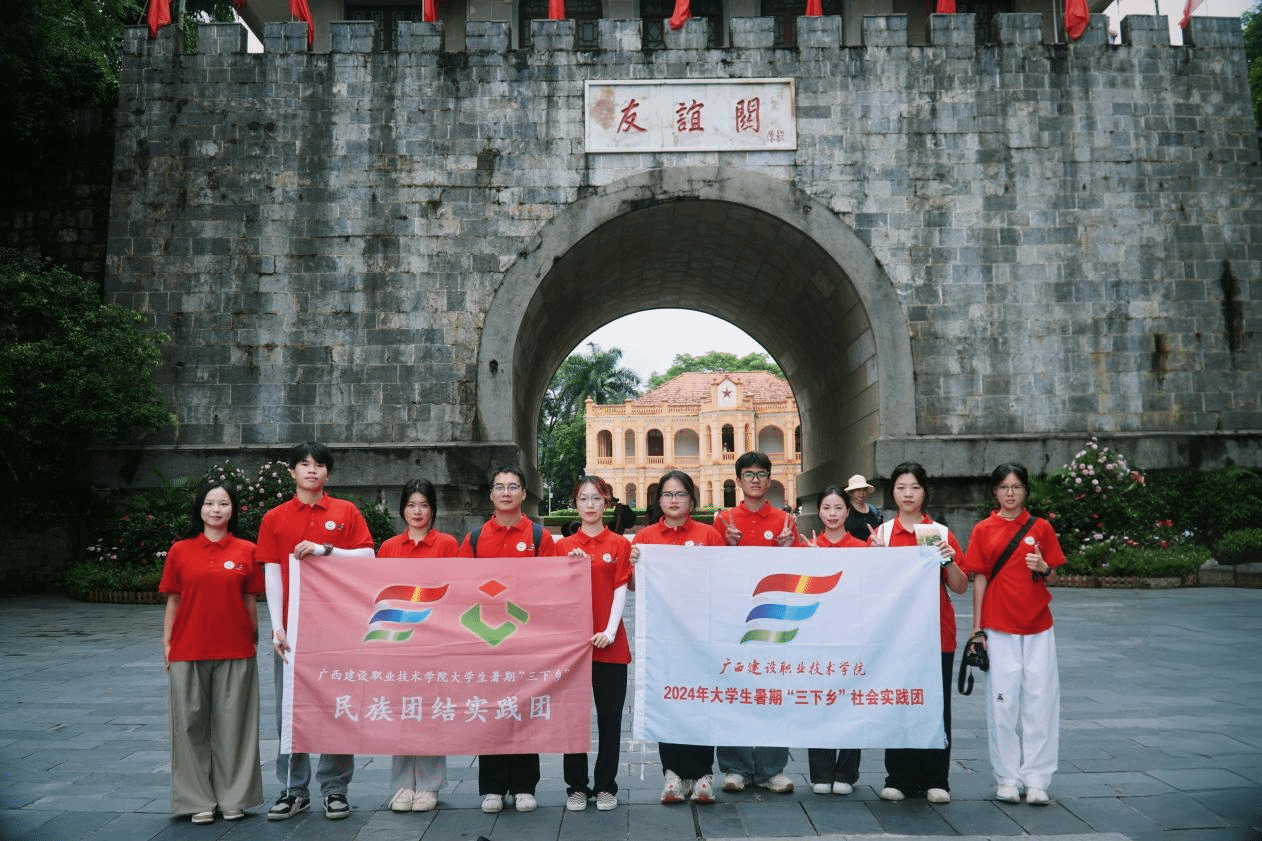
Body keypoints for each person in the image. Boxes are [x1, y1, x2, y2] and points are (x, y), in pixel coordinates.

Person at [259, 442, 375, 821]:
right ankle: (293, 789)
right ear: (292, 471)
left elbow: (367, 556)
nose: (312, 470)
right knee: (290, 710)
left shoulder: (345, 512)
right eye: (304, 464)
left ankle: (335, 788)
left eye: (319, 465)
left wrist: (327, 550)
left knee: (337, 705)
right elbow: (272, 572)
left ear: (328, 473)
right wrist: (277, 626)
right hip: (293, 630)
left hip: (337, 627)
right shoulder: (275, 518)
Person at [960, 463, 1066, 806]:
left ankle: (1037, 779)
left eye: (1016, 487)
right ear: (995, 492)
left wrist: (1044, 568)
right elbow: (979, 578)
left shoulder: (1041, 528)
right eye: (1004, 487)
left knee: (1040, 701)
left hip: (1038, 627)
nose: (1010, 493)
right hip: (998, 626)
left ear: (1025, 492)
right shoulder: (983, 529)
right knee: (1002, 703)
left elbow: (1055, 574)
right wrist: (977, 628)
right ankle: (1007, 777)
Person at [160, 480, 264, 825]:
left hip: (236, 650)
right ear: (199, 509)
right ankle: (196, 800)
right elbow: (173, 600)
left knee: (235, 728)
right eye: (209, 503)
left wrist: (254, 639)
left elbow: (250, 599)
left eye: (223, 503)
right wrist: (167, 645)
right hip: (188, 649)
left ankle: (235, 798)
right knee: (189, 727)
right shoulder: (180, 550)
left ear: (233, 510)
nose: (216, 510)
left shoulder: (247, 550)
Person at [459, 465, 559, 815]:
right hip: (486, 639)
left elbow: (552, 584)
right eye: (499, 487)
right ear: (491, 494)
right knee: (490, 712)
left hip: (526, 638)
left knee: (524, 709)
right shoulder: (475, 539)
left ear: (523, 493)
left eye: (513, 487)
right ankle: (492, 787)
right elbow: (462, 586)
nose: (506, 493)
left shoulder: (538, 536)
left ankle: (524, 786)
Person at [869, 461, 968, 805]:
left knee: (937, 706)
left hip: (936, 634)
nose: (907, 494)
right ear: (892, 492)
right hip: (896, 636)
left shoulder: (939, 533)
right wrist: (874, 560)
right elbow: (869, 589)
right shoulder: (882, 535)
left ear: (925, 492)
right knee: (899, 703)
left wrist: (949, 560)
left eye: (914, 487)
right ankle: (899, 777)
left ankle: (936, 779)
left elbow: (960, 586)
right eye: (901, 487)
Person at [630, 469, 725, 805]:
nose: (674, 500)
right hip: (663, 636)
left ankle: (702, 774)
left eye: (680, 494)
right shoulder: (645, 537)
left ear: (691, 499)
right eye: (667, 495)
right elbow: (632, 586)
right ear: (658, 500)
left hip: (701, 635)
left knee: (701, 699)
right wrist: (635, 564)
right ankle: (672, 773)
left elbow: (724, 579)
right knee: (667, 700)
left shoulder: (708, 535)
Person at [711, 451, 802, 795]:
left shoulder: (784, 520)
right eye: (748, 474)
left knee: (772, 690)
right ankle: (735, 767)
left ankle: (771, 768)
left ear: (769, 479)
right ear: (738, 480)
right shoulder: (723, 521)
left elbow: (798, 573)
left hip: (773, 618)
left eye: (761, 474)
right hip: (732, 618)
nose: (755, 480)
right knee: (731, 689)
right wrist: (726, 546)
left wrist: (789, 549)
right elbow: (710, 569)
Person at [378, 479, 460, 814]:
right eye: (411, 505)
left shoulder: (447, 544)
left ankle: (428, 785)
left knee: (430, 712)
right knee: (402, 711)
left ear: (433, 509)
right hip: (398, 640)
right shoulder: (389, 548)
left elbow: (455, 591)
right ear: (402, 509)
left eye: (424, 505)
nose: (417, 512)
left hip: (434, 642)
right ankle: (402, 784)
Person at [555, 475, 633, 812]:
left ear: (607, 503)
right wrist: (568, 568)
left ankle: (605, 786)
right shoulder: (562, 548)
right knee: (572, 718)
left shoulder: (619, 544)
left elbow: (620, 589)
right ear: (575, 504)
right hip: (573, 648)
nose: (590, 505)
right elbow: (553, 595)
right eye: (584, 499)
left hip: (610, 645)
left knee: (610, 719)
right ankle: (576, 786)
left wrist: (611, 631)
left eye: (596, 498)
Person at [806, 484, 868, 797]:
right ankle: (821, 771)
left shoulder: (862, 547)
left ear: (848, 511)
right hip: (815, 636)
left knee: (851, 701)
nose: (832, 514)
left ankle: (846, 770)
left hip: (852, 636)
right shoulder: (807, 548)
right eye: (826, 508)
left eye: (838, 508)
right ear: (819, 511)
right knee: (817, 701)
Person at [843, 474, 883, 541]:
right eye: (858, 490)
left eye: (864, 489)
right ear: (850, 492)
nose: (861, 493)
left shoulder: (875, 511)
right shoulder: (845, 511)